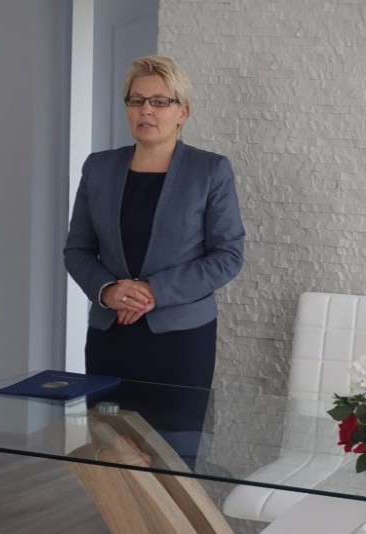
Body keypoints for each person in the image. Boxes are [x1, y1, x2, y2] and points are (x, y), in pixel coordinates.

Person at [64, 55, 245, 391]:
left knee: (176, 428)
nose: (146, 110)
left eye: (160, 102)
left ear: (182, 112)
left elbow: (228, 256)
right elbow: (77, 250)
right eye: (136, 101)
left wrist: (154, 292)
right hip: (110, 334)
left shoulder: (209, 171)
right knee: (106, 424)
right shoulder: (98, 168)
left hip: (180, 340)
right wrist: (109, 290)